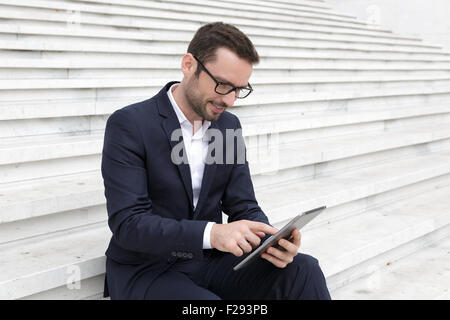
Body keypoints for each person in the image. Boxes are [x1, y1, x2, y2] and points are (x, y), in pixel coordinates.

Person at [101, 22, 331, 300]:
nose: (230, 100)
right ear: (188, 65)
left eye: (239, 89)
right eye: (223, 85)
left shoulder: (227, 126)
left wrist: (270, 240)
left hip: (209, 261)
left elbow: (243, 205)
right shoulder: (130, 124)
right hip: (147, 268)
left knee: (304, 269)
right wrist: (213, 233)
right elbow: (129, 224)